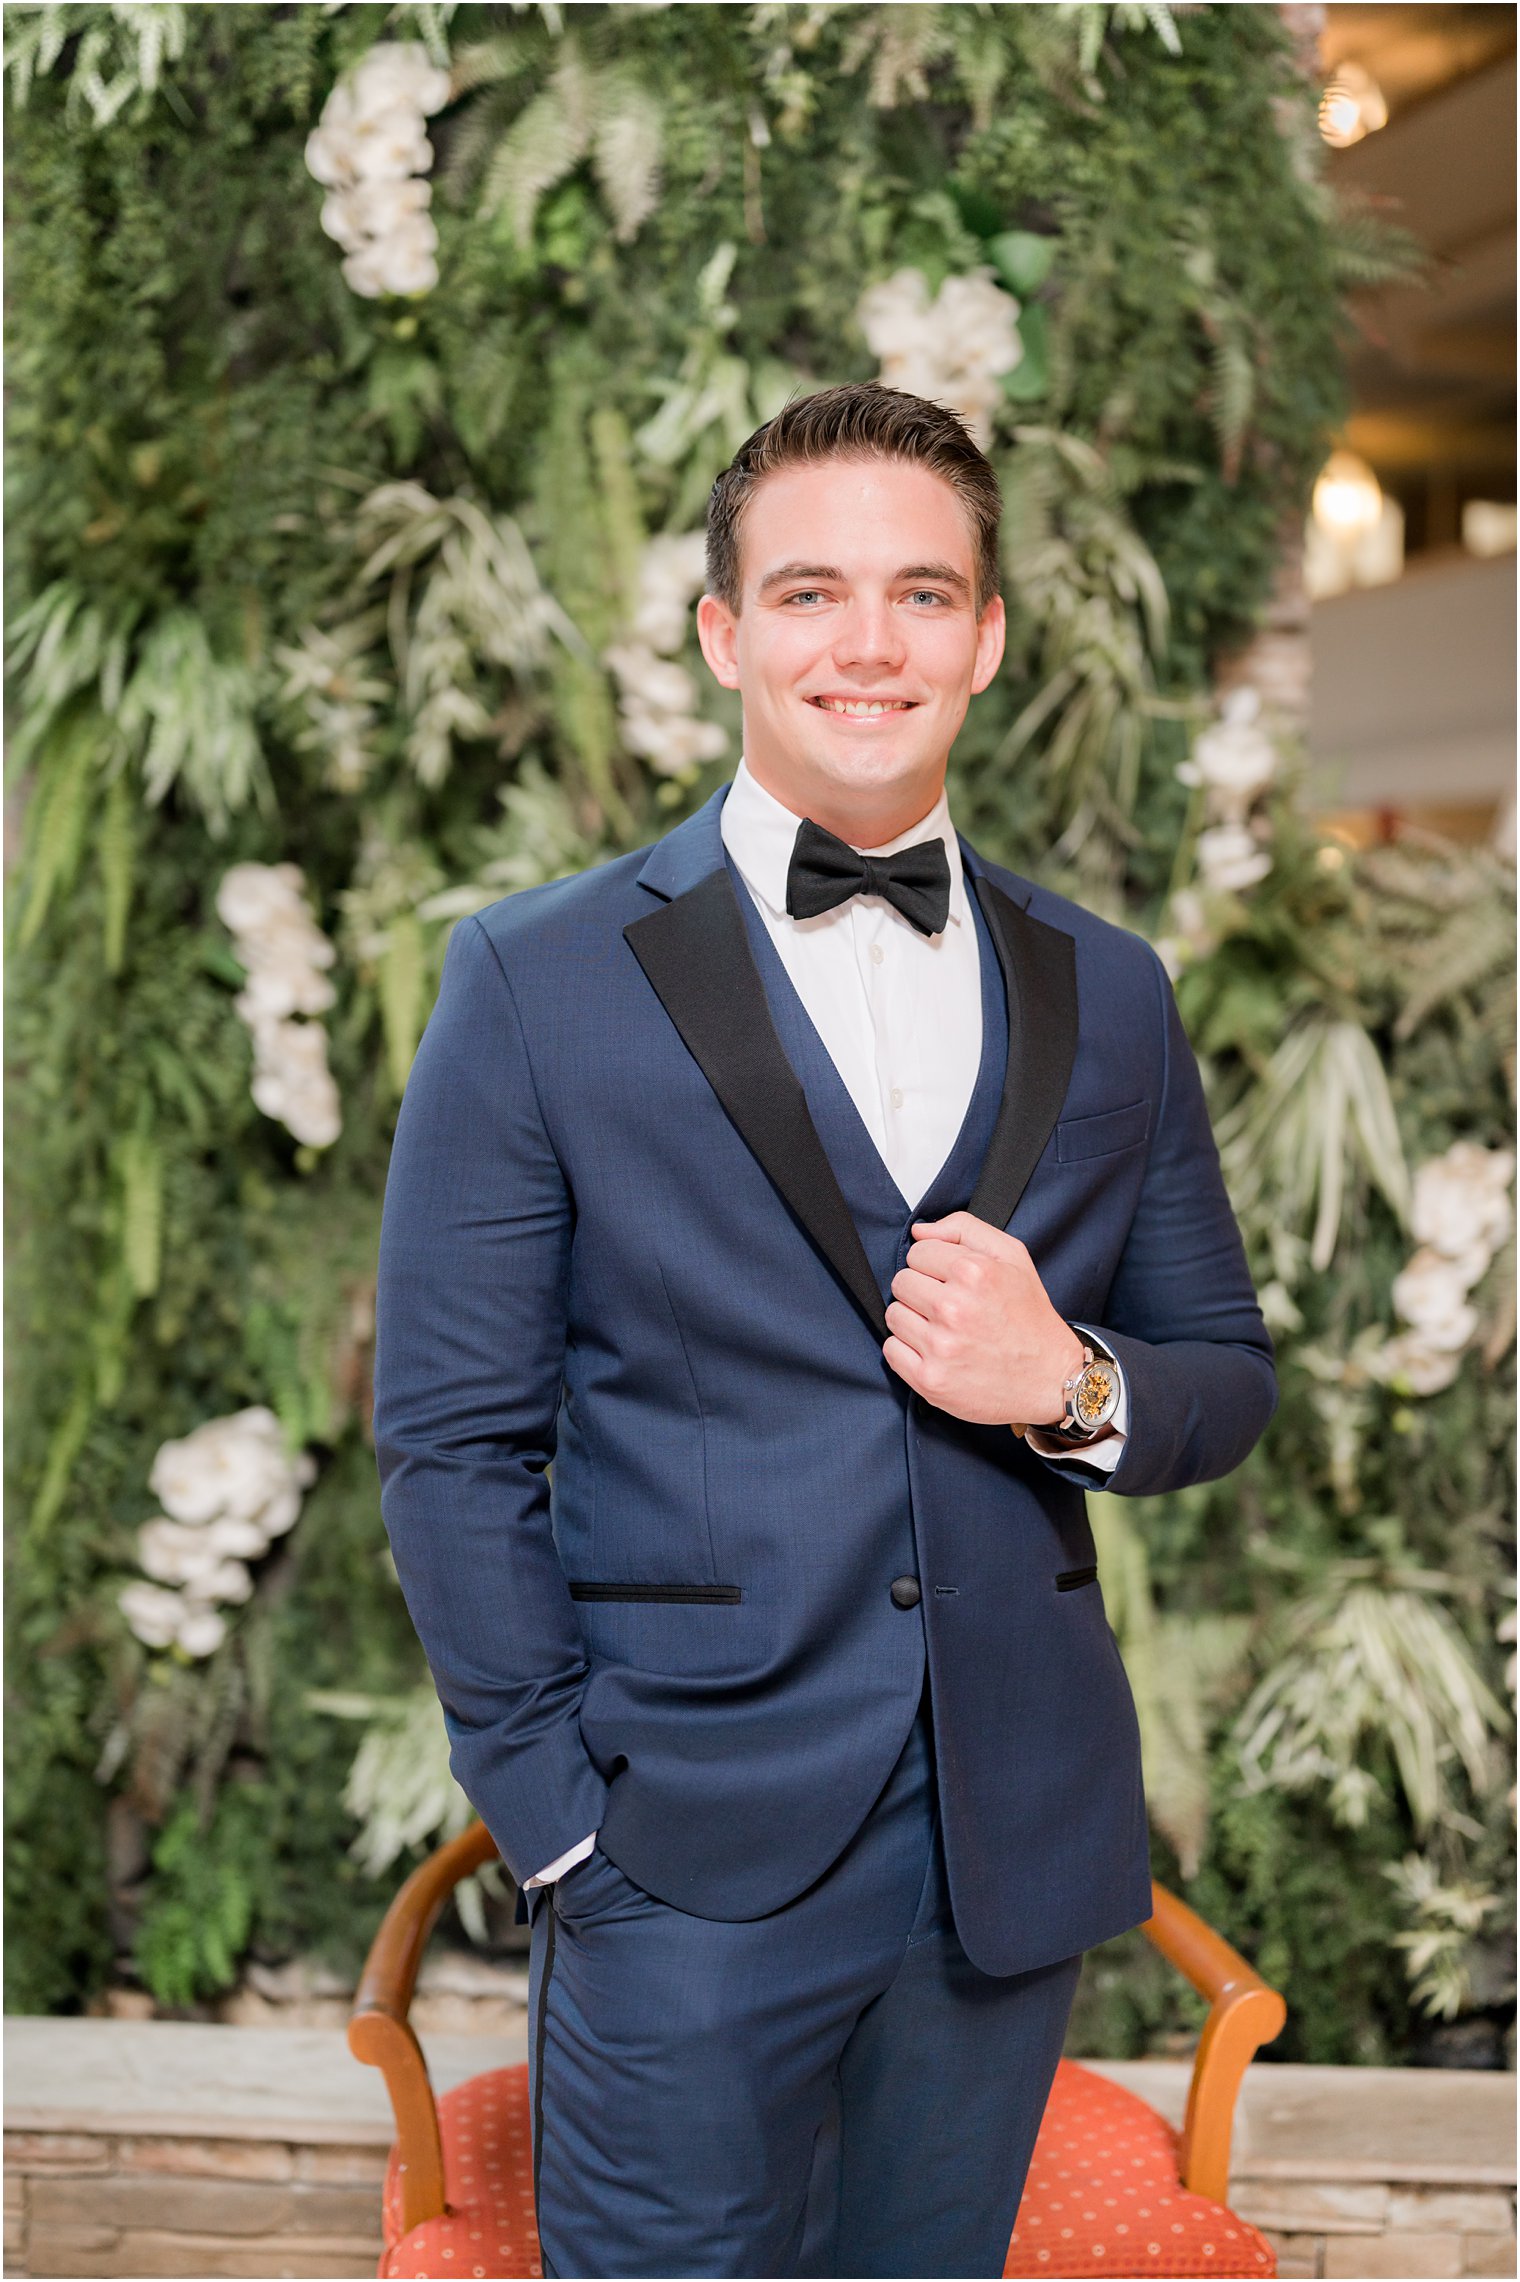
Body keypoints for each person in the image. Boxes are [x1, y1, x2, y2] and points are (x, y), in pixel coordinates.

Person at [372, 381, 1277, 2280]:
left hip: (1002, 1856)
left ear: (990, 637)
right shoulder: (535, 979)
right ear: (722, 634)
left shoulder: (1111, 993)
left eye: (922, 594)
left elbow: (1225, 1372)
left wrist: (1073, 1383)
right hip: (673, 1855)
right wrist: (558, 1829)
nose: (869, 642)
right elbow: (450, 1440)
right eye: (808, 592)